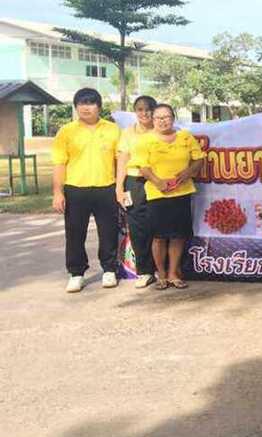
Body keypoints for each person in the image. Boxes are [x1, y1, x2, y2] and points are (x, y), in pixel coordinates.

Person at [52, 88, 122, 293]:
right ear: (76, 107)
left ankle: (109, 269)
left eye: (90, 103)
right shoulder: (66, 131)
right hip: (76, 189)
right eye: (81, 104)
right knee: (75, 233)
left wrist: (119, 187)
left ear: (99, 107)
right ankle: (76, 273)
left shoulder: (112, 130)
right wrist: (58, 192)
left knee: (108, 231)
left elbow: (120, 161)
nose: (86, 108)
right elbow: (59, 163)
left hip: (105, 188)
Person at [132, 104, 206, 290]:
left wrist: (187, 173)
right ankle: (161, 275)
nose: (162, 121)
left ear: (173, 118)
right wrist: (158, 182)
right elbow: (143, 167)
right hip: (157, 194)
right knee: (158, 237)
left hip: (182, 192)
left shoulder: (185, 137)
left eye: (166, 117)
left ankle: (173, 273)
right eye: (158, 118)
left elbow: (199, 159)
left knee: (178, 236)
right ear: (153, 120)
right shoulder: (145, 140)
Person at [115, 95, 158, 288]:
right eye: (140, 109)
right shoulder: (128, 133)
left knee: (158, 224)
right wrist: (119, 187)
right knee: (137, 226)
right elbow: (122, 160)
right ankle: (145, 271)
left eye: (148, 109)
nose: (144, 113)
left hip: (158, 181)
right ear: (135, 112)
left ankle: (163, 269)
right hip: (134, 182)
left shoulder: (162, 130)